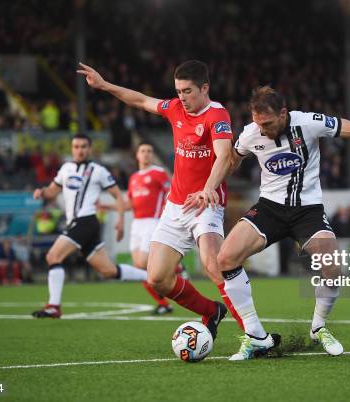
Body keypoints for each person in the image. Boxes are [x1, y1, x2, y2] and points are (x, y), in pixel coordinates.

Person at [200, 86, 350, 360]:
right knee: (225, 258)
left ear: (283, 114)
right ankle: (255, 336)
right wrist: (211, 186)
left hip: (307, 211)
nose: (261, 129)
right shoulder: (252, 133)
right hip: (270, 208)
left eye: (267, 123)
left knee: (332, 267)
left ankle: (318, 327)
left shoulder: (309, 123)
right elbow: (231, 160)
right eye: (257, 122)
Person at [77, 60, 241, 338]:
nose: (182, 97)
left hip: (207, 204)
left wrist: (208, 188)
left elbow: (224, 156)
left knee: (213, 265)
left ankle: (252, 333)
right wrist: (104, 86)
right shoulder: (174, 108)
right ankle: (211, 311)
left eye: (188, 91)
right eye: (178, 91)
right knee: (157, 278)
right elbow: (139, 100)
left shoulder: (217, 115)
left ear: (204, 88)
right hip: (176, 206)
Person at [31, 134, 149, 318]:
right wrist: (42, 192)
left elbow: (118, 195)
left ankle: (54, 306)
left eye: (83, 146)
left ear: (90, 149)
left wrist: (120, 221)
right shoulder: (66, 168)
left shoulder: (98, 171)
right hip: (78, 224)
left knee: (53, 256)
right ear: (72, 149)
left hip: (85, 221)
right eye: (76, 146)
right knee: (108, 270)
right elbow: (53, 190)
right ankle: (151, 277)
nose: (80, 150)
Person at [99, 142, 185, 315]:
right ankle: (163, 303)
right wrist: (108, 207)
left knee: (145, 263)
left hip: (153, 222)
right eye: (143, 151)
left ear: (152, 155)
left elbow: (172, 194)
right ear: (137, 155)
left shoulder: (159, 173)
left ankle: (177, 268)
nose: (146, 154)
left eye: (149, 151)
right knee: (139, 268)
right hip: (137, 224)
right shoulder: (134, 178)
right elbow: (129, 204)